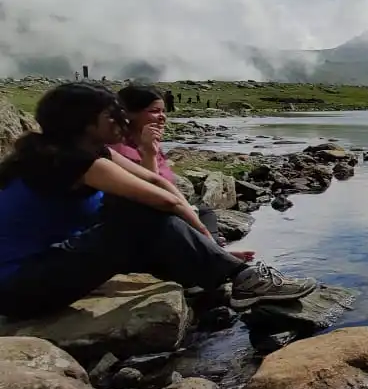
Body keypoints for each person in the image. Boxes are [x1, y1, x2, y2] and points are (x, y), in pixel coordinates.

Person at [0, 83, 316, 321]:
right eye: (111, 115)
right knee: (141, 212)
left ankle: (205, 272)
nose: (119, 121)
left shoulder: (86, 151)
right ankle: (241, 279)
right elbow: (163, 201)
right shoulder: (68, 160)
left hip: (49, 263)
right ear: (84, 122)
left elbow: (154, 180)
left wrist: (202, 237)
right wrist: (218, 251)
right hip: (19, 288)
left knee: (164, 216)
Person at [111, 84, 242, 251]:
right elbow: (150, 192)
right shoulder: (118, 148)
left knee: (204, 211)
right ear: (129, 114)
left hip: (166, 205)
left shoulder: (151, 142)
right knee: (183, 220)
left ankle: (213, 249)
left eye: (163, 111)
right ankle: (214, 252)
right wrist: (149, 154)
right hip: (143, 214)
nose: (162, 117)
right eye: (154, 111)